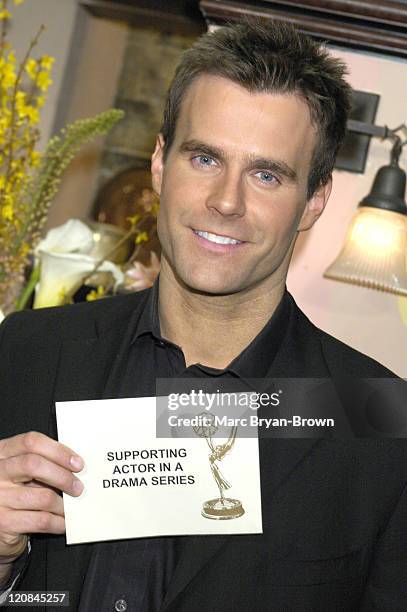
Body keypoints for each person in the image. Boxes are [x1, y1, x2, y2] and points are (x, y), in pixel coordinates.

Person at [1, 19, 406, 612]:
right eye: (205, 158)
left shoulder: (380, 420)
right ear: (161, 162)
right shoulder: (26, 351)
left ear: (315, 199)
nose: (226, 201)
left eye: (267, 175)